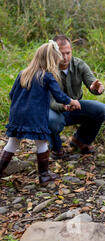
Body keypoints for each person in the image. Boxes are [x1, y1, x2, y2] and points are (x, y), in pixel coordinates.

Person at [0, 41, 81, 185]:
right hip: (35, 116)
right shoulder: (48, 76)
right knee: (42, 142)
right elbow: (59, 97)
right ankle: (44, 175)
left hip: (17, 114)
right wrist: (72, 101)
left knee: (12, 143)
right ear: (51, 60)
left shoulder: (23, 73)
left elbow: (12, 94)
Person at [48, 35, 105, 159]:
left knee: (102, 110)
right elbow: (49, 100)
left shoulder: (78, 64)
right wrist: (64, 105)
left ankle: (80, 141)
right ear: (54, 52)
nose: (65, 57)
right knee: (52, 121)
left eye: (68, 53)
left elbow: (92, 82)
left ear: (71, 51)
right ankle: (55, 147)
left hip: (75, 107)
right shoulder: (47, 69)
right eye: (61, 54)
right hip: (54, 109)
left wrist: (97, 88)